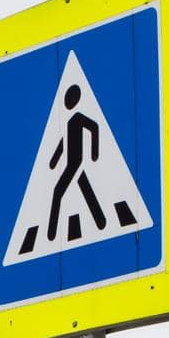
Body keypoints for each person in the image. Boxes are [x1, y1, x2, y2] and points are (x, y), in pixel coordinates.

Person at [46, 84, 107, 241]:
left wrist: (94, 152)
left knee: (57, 192)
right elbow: (63, 143)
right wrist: (53, 161)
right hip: (73, 163)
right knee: (86, 190)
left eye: (69, 99)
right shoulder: (68, 122)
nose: (67, 103)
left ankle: (51, 234)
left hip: (76, 162)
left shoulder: (78, 118)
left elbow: (94, 127)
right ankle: (101, 221)